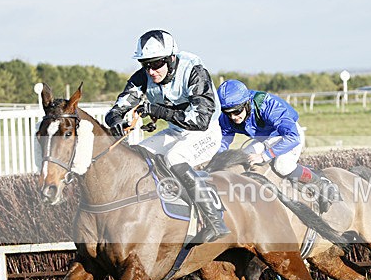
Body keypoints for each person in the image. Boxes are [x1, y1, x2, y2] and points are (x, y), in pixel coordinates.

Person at [104, 29, 230, 242]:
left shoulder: (194, 72)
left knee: (174, 158)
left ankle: (215, 221)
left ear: (171, 59)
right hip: (176, 131)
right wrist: (115, 119)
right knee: (138, 154)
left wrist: (159, 111)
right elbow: (120, 105)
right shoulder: (144, 76)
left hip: (205, 132)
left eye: (156, 64)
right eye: (145, 64)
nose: (151, 71)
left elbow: (200, 121)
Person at [216, 79, 340, 212]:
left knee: (282, 165)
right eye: (228, 113)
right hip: (264, 139)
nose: (233, 117)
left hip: (287, 135)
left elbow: (292, 137)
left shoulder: (268, 105)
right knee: (240, 161)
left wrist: (265, 156)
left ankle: (321, 184)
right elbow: (223, 141)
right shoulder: (226, 118)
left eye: (237, 111)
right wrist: (218, 161)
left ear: (247, 103)